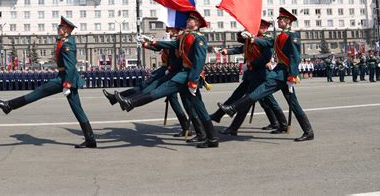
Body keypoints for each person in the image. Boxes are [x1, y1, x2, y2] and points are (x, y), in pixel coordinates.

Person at [115, 11, 219, 148]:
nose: (187, 22)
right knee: (199, 108)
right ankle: (210, 138)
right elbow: (170, 45)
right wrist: (151, 43)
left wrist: (193, 81)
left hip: (188, 75)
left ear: (197, 24)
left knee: (161, 90)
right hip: (184, 74)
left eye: (191, 20)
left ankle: (131, 102)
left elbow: (199, 61)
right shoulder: (185, 37)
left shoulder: (199, 38)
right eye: (188, 20)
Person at [0, 16, 96, 148]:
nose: (58, 29)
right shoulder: (64, 41)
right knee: (77, 109)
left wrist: (67, 84)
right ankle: (90, 139)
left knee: (39, 91)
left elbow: (70, 66)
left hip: (65, 78)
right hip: (64, 76)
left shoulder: (67, 44)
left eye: (60, 27)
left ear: (66, 30)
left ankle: (9, 105)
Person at [218, 7, 314, 142]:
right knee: (293, 104)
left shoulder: (292, 35)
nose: (278, 21)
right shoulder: (281, 35)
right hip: (280, 70)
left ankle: (233, 108)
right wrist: (253, 39)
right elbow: (268, 42)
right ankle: (308, 132)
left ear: (287, 21)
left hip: (283, 73)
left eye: (280, 19)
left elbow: (295, 57)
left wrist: (292, 75)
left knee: (261, 90)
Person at [103, 27, 196, 138]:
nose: (167, 31)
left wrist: (152, 43)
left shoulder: (179, 40)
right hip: (167, 71)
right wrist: (145, 43)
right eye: (166, 29)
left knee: (185, 102)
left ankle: (194, 128)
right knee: (147, 88)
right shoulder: (171, 39)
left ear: (176, 30)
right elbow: (159, 47)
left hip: (174, 72)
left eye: (169, 29)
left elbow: (169, 49)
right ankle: (187, 127)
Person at [208, 19, 288, 135]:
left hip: (260, 75)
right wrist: (227, 51)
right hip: (251, 75)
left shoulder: (265, 40)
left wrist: (251, 64)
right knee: (239, 96)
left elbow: (265, 58)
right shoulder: (252, 38)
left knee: (248, 101)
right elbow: (242, 48)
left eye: (258, 26)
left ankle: (232, 127)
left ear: (264, 28)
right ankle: (219, 115)